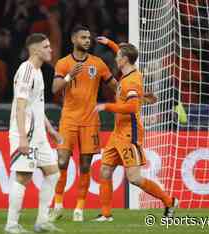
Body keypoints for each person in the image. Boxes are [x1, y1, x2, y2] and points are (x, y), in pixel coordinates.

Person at [93, 37, 178, 221]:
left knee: (134, 178)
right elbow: (124, 53)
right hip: (118, 133)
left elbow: (131, 108)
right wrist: (109, 43)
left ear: (124, 60)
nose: (116, 58)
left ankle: (169, 201)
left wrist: (106, 107)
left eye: (118, 56)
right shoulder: (129, 73)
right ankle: (106, 214)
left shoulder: (131, 81)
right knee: (105, 171)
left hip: (130, 135)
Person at [50, 25, 118, 222]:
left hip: (90, 121)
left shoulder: (98, 63)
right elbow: (55, 88)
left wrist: (133, 94)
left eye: (89, 37)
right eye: (83, 37)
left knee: (86, 166)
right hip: (69, 119)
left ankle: (79, 208)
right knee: (62, 161)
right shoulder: (63, 63)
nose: (87, 40)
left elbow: (114, 86)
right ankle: (58, 204)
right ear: (73, 40)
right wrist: (70, 75)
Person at [5, 33, 63, 234]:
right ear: (36, 49)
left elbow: (36, 106)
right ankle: (11, 225)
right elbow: (20, 107)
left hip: (39, 135)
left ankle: (42, 221)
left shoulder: (38, 72)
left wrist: (51, 130)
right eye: (46, 47)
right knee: (23, 176)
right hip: (26, 133)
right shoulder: (27, 70)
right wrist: (22, 137)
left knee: (53, 173)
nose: (50, 50)